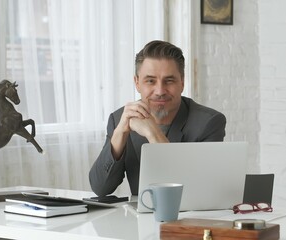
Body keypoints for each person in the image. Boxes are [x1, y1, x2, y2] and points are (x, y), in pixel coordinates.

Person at [89, 40, 226, 196]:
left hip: (188, 218)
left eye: (169, 80)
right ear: (137, 83)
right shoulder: (120, 119)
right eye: (150, 81)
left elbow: (194, 191)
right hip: (139, 218)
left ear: (182, 82)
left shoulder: (209, 123)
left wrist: (153, 134)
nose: (160, 90)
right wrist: (120, 133)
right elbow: (100, 188)